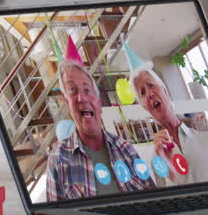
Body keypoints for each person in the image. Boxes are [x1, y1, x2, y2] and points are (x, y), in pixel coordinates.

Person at [45, 61, 156, 201]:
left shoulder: (126, 149)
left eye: (87, 90)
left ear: (99, 103)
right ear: (67, 103)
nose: (82, 98)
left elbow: (153, 199)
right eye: (73, 90)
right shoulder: (58, 159)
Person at [132, 66, 208, 186]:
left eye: (150, 85)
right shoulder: (157, 159)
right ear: (145, 108)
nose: (149, 93)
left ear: (164, 91)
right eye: (143, 92)